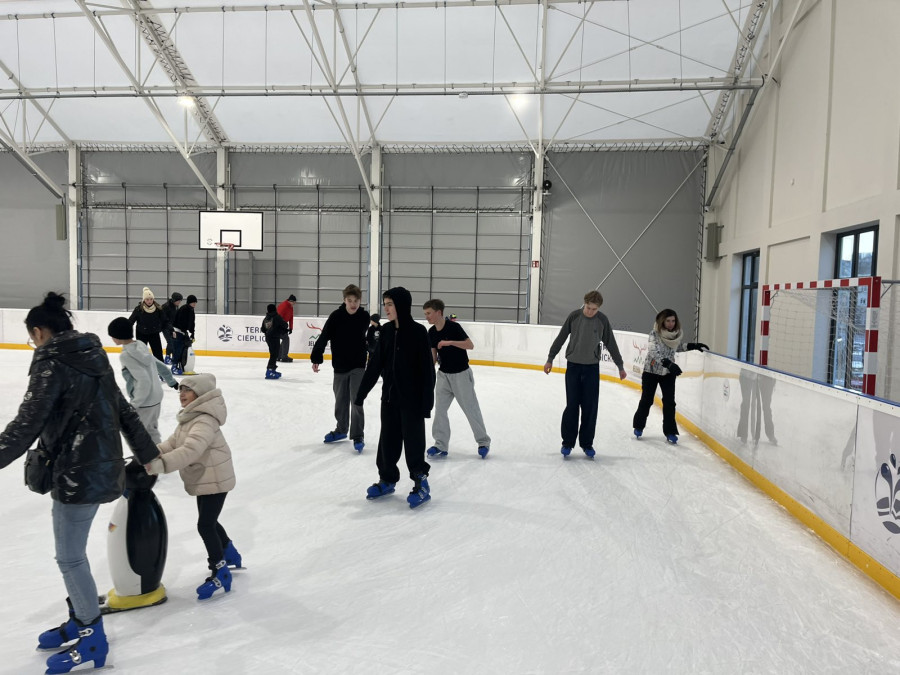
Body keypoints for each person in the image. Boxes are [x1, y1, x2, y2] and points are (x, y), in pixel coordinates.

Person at [0, 292, 159, 674]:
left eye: (32, 337)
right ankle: (80, 617)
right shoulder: (94, 354)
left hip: (75, 473)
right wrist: (147, 454)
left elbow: (27, 424)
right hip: (102, 467)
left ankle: (91, 636)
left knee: (70, 557)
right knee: (72, 556)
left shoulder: (51, 361)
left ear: (39, 332)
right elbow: (123, 410)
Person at [145, 373, 240, 600]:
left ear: (201, 394)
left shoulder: (204, 420)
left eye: (188, 390)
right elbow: (173, 443)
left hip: (216, 478)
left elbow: (190, 450)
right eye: (181, 389)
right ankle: (230, 554)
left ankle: (220, 571)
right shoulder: (190, 418)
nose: (182, 394)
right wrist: (149, 453)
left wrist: (159, 465)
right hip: (205, 477)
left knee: (205, 525)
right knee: (210, 521)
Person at [355, 287, 435, 508]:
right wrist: (361, 393)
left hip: (412, 401)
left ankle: (421, 483)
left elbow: (428, 371)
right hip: (389, 399)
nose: (386, 309)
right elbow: (375, 365)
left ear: (402, 306)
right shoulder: (387, 331)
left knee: (414, 443)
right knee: (387, 442)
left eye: (390, 304)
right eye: (385, 304)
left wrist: (426, 403)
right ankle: (387, 478)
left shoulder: (418, 332)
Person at [544, 290, 627, 459]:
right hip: (573, 367)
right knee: (572, 405)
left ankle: (587, 444)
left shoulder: (602, 320)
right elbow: (561, 338)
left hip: (591, 369)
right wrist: (550, 358)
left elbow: (611, 344)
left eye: (594, 309)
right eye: (588, 308)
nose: (590, 312)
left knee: (590, 407)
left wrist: (620, 366)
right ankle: (567, 443)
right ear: (584, 304)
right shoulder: (574, 316)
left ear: (599, 308)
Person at [423, 299, 491, 459]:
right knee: (440, 410)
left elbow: (470, 345)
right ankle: (440, 445)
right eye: (425, 314)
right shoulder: (431, 332)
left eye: (429, 313)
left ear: (439, 312)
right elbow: (433, 358)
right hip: (443, 376)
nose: (427, 317)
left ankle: (483, 442)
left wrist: (450, 343)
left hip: (461, 375)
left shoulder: (454, 327)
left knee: (471, 409)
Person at [632, 309, 708, 444]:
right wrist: (668, 363)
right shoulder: (654, 334)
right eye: (668, 321)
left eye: (673, 321)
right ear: (662, 321)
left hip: (668, 373)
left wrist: (692, 345)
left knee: (669, 403)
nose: (671, 323)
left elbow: (676, 348)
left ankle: (670, 431)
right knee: (647, 400)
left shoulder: (675, 335)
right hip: (651, 372)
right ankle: (639, 425)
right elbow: (654, 352)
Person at [310, 284, 370, 452]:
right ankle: (341, 429)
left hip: (358, 365)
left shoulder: (364, 317)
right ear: (344, 300)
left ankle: (357, 435)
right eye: (350, 300)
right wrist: (317, 357)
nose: (353, 304)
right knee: (341, 401)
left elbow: (365, 338)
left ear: (360, 301)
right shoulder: (336, 317)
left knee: (357, 400)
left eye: (356, 300)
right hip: (340, 366)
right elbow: (324, 336)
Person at [108, 317, 178, 444]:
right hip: (156, 396)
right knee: (151, 431)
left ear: (117, 336)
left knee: (140, 438)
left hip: (144, 402)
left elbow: (144, 381)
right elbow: (158, 363)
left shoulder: (126, 356)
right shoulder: (141, 345)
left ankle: (153, 456)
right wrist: (171, 381)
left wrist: (134, 405)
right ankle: (159, 453)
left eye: (112, 336)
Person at [128, 286, 170, 363]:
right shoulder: (138, 309)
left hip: (154, 333)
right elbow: (130, 321)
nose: (149, 301)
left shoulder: (158, 309)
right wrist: (125, 332)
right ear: (144, 300)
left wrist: (171, 330)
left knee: (158, 354)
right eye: (147, 299)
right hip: (141, 334)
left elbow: (165, 321)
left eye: (151, 299)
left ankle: (160, 369)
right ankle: (140, 368)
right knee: (141, 354)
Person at [171, 294, 198, 376]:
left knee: (184, 349)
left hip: (183, 331)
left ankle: (181, 366)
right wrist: (184, 332)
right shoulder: (184, 309)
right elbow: (180, 321)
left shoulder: (191, 310)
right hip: (177, 331)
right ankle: (174, 366)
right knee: (178, 349)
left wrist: (192, 333)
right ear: (189, 302)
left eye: (195, 302)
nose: (194, 304)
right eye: (193, 302)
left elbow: (192, 323)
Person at [262, 303, 289, 380]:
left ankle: (272, 370)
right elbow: (285, 325)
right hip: (275, 338)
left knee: (273, 354)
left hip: (268, 338)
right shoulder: (277, 317)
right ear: (275, 309)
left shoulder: (266, 318)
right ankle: (270, 371)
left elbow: (263, 329)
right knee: (274, 355)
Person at [161, 292, 183, 365]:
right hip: (164, 326)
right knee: (170, 342)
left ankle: (172, 357)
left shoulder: (175, 306)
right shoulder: (166, 307)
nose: (179, 302)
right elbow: (165, 320)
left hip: (171, 327)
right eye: (178, 301)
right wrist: (171, 329)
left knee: (174, 342)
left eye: (180, 301)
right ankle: (167, 358)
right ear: (174, 300)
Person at [277, 294, 297, 363]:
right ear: (291, 301)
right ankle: (284, 357)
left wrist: (291, 327)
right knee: (285, 338)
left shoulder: (290, 307)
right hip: (277, 325)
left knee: (285, 338)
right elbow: (278, 317)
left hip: (283, 325)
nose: (294, 304)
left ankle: (278, 356)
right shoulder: (283, 306)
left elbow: (291, 317)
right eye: (294, 302)